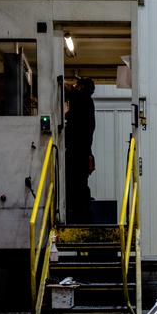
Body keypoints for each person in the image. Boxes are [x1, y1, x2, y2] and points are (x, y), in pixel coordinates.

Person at [64, 77, 96, 223]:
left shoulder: (83, 100)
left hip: (76, 150)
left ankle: (78, 213)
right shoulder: (88, 103)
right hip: (83, 149)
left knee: (74, 182)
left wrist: (63, 83)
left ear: (81, 87)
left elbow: (70, 91)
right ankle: (82, 211)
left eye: (78, 85)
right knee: (80, 181)